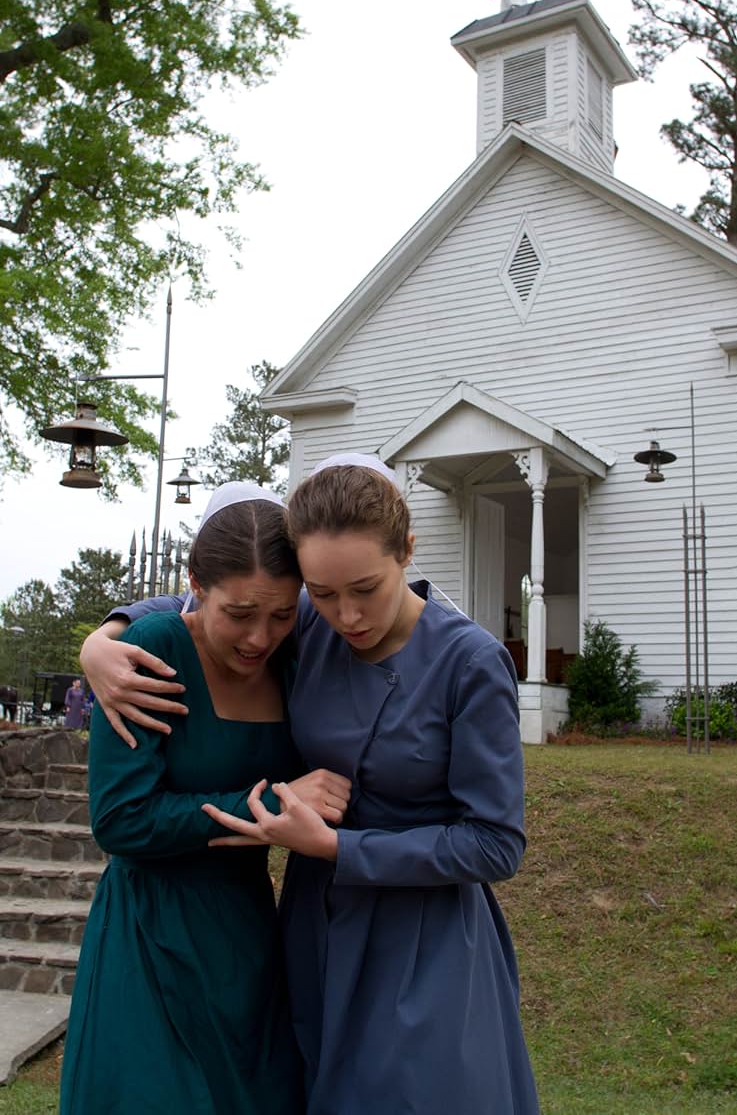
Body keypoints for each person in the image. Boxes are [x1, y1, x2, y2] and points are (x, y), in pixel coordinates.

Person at [82, 457, 540, 1115]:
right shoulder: (307, 632)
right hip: (313, 931)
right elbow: (214, 601)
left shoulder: (470, 662)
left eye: (365, 588)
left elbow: (496, 844)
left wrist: (336, 848)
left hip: (424, 938)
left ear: (407, 552)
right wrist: (105, 637)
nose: (347, 615)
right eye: (321, 594)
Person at [61, 483, 350, 1115]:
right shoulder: (155, 649)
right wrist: (269, 807)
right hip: (149, 932)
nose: (259, 636)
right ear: (194, 583)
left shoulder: (293, 659)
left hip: (246, 933)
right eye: (239, 613)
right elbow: (121, 820)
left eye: (280, 614)